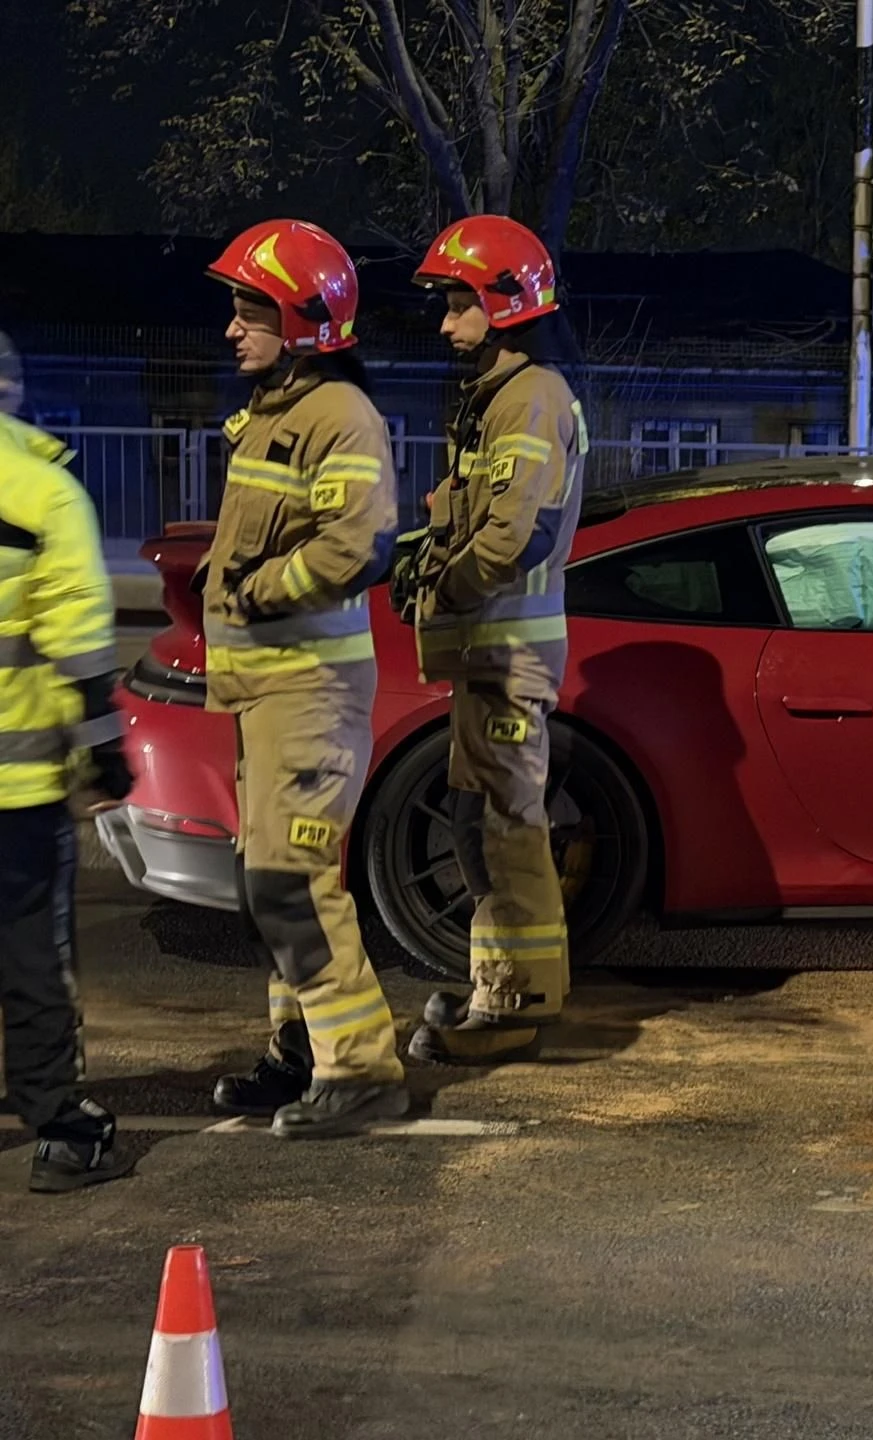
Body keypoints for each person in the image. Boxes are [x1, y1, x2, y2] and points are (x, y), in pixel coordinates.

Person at [201, 219, 409, 1137]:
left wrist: (260, 591)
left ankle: (361, 1071)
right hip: (269, 694)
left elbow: (359, 542)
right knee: (270, 880)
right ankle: (302, 1054)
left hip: (310, 690)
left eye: (251, 310)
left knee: (291, 882)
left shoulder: (337, 417)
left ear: (305, 319)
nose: (232, 328)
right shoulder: (276, 416)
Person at [399, 216, 584, 1065]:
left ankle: (514, 1006)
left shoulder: (530, 400)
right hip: (489, 655)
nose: (444, 323)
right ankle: (493, 984)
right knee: (478, 821)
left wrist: (440, 584)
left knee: (506, 826)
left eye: (457, 303)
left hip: (508, 656)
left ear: (507, 304)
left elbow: (515, 539)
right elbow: (473, 517)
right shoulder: (497, 402)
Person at [0, 330, 138, 1192]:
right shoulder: (45, 493)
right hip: (17, 785)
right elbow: (82, 644)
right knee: (29, 953)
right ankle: (56, 1126)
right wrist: (104, 754)